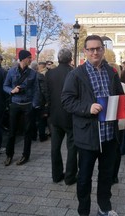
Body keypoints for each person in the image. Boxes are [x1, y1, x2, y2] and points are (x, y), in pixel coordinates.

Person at [61, 35, 125, 216]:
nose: (95, 52)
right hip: (88, 136)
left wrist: (123, 105)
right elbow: (66, 101)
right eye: (91, 49)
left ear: (103, 49)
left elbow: (119, 94)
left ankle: (104, 207)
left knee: (106, 176)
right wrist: (87, 107)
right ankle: (83, 211)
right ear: (85, 52)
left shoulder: (112, 72)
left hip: (109, 135)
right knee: (84, 178)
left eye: (98, 48)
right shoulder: (75, 74)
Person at [45, 48, 78, 185]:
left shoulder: (50, 73)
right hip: (71, 116)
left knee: (55, 147)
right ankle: (70, 177)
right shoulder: (74, 73)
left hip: (55, 116)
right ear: (70, 59)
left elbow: (46, 95)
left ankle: (56, 175)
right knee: (72, 148)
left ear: (58, 59)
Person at [3, 50, 39, 166]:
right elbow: (5, 86)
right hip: (15, 104)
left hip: (28, 105)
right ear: (23, 58)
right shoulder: (11, 71)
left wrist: (34, 104)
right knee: (12, 131)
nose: (31, 59)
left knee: (27, 132)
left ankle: (25, 155)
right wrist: (12, 91)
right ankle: (9, 155)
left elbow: (36, 90)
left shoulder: (33, 73)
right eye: (29, 57)